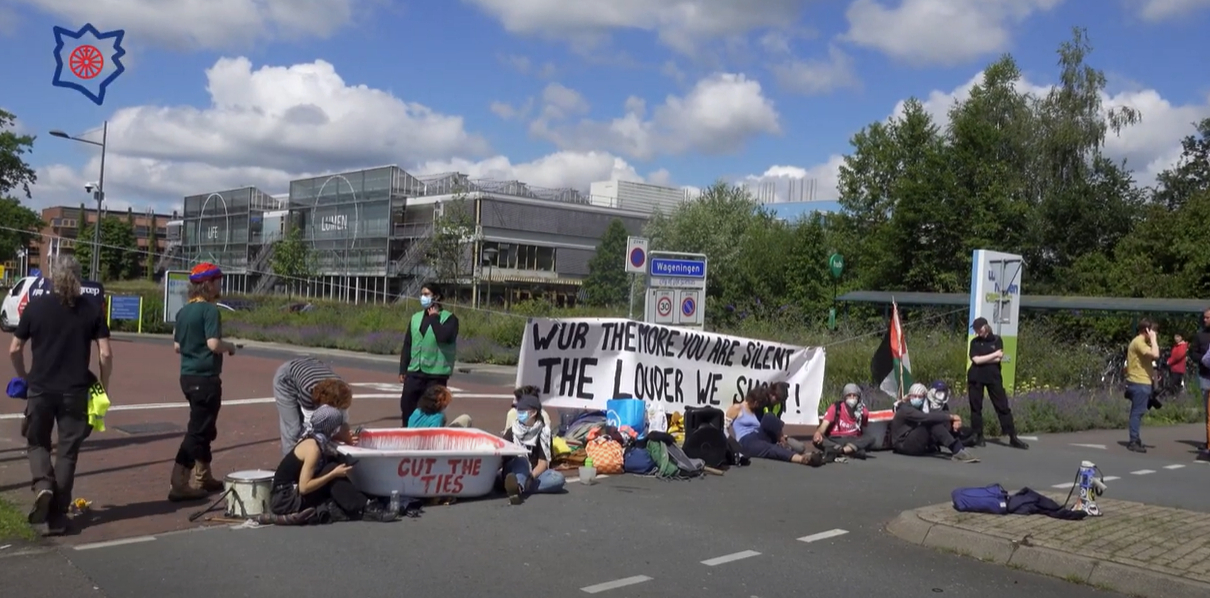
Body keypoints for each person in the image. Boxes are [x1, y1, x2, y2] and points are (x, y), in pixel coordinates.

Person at [9, 255, 113, 536]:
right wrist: (102, 386)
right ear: (79, 278)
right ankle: (57, 516)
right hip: (75, 391)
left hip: (40, 388)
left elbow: (14, 349)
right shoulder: (91, 309)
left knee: (37, 442)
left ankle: (43, 485)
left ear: (53, 277)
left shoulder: (36, 307)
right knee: (67, 453)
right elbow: (105, 353)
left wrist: (24, 378)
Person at [169, 262, 237, 502]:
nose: (220, 284)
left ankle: (204, 475)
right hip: (205, 377)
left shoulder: (183, 311)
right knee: (198, 431)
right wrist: (230, 347)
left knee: (205, 426)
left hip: (187, 376)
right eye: (218, 280)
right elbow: (213, 344)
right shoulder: (210, 310)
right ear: (208, 284)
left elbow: (177, 346)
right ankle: (179, 481)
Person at [263, 405, 398, 524]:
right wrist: (332, 475)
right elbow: (304, 487)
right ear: (331, 428)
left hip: (287, 493)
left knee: (333, 463)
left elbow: (333, 439)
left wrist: (345, 438)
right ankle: (365, 508)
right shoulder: (313, 449)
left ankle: (360, 505)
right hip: (285, 500)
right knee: (332, 468)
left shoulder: (313, 436)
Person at [399, 283, 459, 426]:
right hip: (415, 371)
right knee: (407, 405)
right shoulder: (415, 318)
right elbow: (408, 344)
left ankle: (429, 435)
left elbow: (443, 337)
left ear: (436, 297)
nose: (423, 297)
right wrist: (403, 368)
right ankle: (407, 433)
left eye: (426, 294)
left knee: (431, 409)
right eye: (422, 294)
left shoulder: (450, 319)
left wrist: (434, 318)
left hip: (435, 374)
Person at [272, 356, 357, 455]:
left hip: (312, 367)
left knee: (327, 429)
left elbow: (343, 420)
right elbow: (310, 427)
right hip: (286, 379)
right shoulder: (309, 391)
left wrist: (345, 433)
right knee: (293, 430)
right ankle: (290, 465)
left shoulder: (343, 390)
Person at [967, 317, 1028, 450]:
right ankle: (978, 435)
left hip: (993, 377)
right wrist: (992, 355)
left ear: (986, 327)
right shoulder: (975, 343)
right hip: (976, 377)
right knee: (976, 407)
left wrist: (988, 358)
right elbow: (976, 360)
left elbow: (998, 357)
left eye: (979, 328)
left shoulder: (996, 339)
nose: (978, 332)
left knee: (1002, 406)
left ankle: (1012, 436)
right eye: (976, 329)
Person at [729, 388, 824, 467]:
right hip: (746, 440)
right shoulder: (737, 408)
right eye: (758, 404)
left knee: (768, 417)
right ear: (753, 400)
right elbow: (724, 427)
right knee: (770, 448)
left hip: (759, 435)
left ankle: (783, 440)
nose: (759, 406)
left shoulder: (757, 411)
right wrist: (731, 447)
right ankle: (801, 458)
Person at [501, 393, 565, 504]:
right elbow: (501, 456)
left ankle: (516, 488)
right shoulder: (512, 431)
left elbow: (542, 463)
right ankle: (518, 487)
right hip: (515, 469)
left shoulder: (544, 432)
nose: (518, 414)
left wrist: (530, 477)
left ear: (533, 413)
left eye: (522, 411)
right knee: (522, 461)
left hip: (533, 473)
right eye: (518, 411)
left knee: (558, 478)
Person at [891, 383, 979, 463]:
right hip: (903, 444)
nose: (917, 399)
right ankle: (956, 449)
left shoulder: (922, 406)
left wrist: (952, 422)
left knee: (937, 421)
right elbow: (925, 417)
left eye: (920, 396)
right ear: (910, 396)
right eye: (914, 396)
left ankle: (959, 448)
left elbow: (936, 415)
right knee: (930, 422)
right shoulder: (906, 409)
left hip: (913, 439)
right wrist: (952, 417)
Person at [1124, 318, 1161, 454]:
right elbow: (1155, 354)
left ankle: (1135, 438)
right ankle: (1134, 440)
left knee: (1138, 411)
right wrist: (1154, 340)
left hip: (1142, 382)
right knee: (1137, 412)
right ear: (1146, 330)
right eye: (1153, 331)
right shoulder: (1139, 342)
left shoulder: (1141, 343)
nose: (1155, 334)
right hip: (1139, 382)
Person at [813, 383, 877, 460]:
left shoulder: (863, 412)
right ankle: (849, 451)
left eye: (854, 395)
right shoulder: (836, 408)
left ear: (858, 397)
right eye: (849, 395)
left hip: (853, 439)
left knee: (870, 438)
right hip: (835, 438)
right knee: (818, 441)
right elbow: (823, 427)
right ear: (844, 397)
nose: (852, 398)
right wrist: (818, 434)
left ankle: (841, 451)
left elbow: (863, 430)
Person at [925, 380, 977, 445]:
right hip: (933, 430)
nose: (941, 395)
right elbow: (929, 416)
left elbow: (947, 414)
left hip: (946, 427)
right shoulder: (926, 403)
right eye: (939, 393)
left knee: (970, 431)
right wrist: (952, 417)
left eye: (943, 393)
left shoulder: (944, 405)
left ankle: (961, 438)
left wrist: (956, 422)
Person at [1189, 308, 1210, 462]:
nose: (1205, 320)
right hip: (1206, 375)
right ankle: (1208, 441)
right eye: (1204, 317)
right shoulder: (1200, 335)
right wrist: (1203, 358)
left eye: (1208, 317)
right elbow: (1192, 353)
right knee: (1208, 410)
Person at [408, 385, 473, 428]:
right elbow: (435, 437)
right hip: (430, 445)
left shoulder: (417, 411)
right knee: (465, 419)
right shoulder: (438, 417)